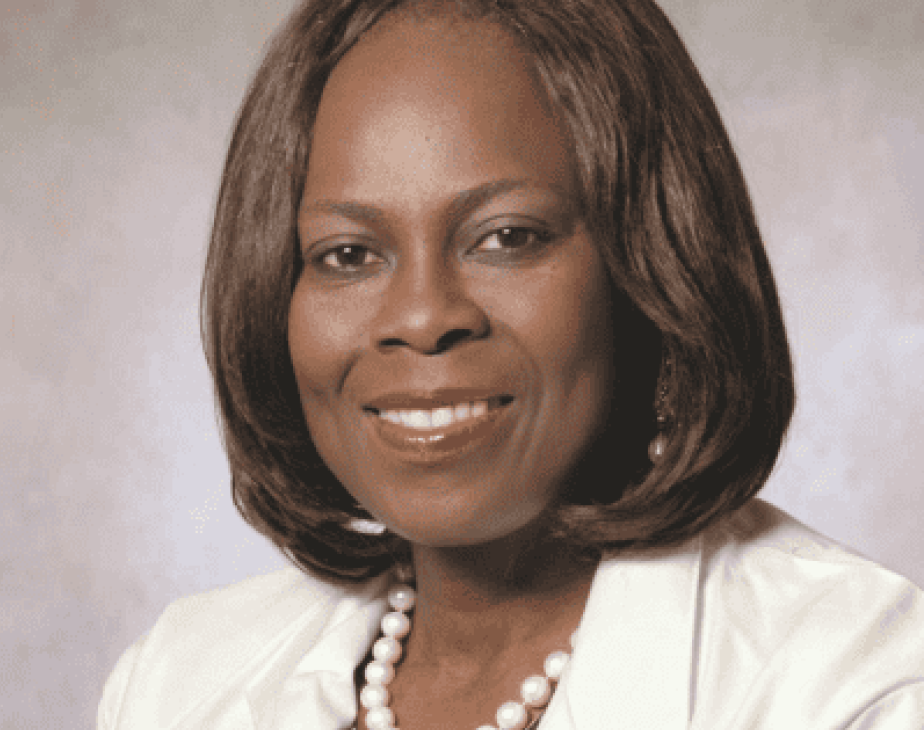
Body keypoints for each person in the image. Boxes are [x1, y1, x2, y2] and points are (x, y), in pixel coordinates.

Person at [97, 0, 924, 728]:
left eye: (506, 237)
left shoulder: (855, 685)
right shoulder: (176, 683)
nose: (422, 318)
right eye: (348, 253)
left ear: (655, 264)